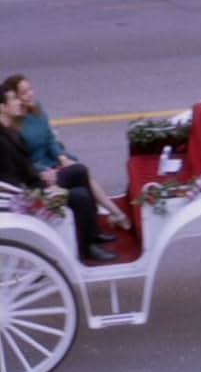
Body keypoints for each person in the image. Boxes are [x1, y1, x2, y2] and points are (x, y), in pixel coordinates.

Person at [0, 83, 118, 261]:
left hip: (36, 182)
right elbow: (11, 180)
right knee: (80, 196)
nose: (19, 102)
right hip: (27, 195)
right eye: (14, 99)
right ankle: (85, 248)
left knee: (78, 171)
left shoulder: (10, 131)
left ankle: (92, 233)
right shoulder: (2, 141)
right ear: (3, 107)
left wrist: (44, 175)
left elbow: (25, 166)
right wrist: (44, 192)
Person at [3, 74, 132, 230]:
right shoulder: (14, 127)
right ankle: (113, 216)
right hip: (40, 170)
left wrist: (61, 157)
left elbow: (49, 137)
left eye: (30, 89)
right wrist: (44, 173)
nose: (29, 94)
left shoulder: (36, 110)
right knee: (81, 185)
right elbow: (23, 164)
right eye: (23, 93)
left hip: (51, 159)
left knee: (80, 170)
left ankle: (101, 222)